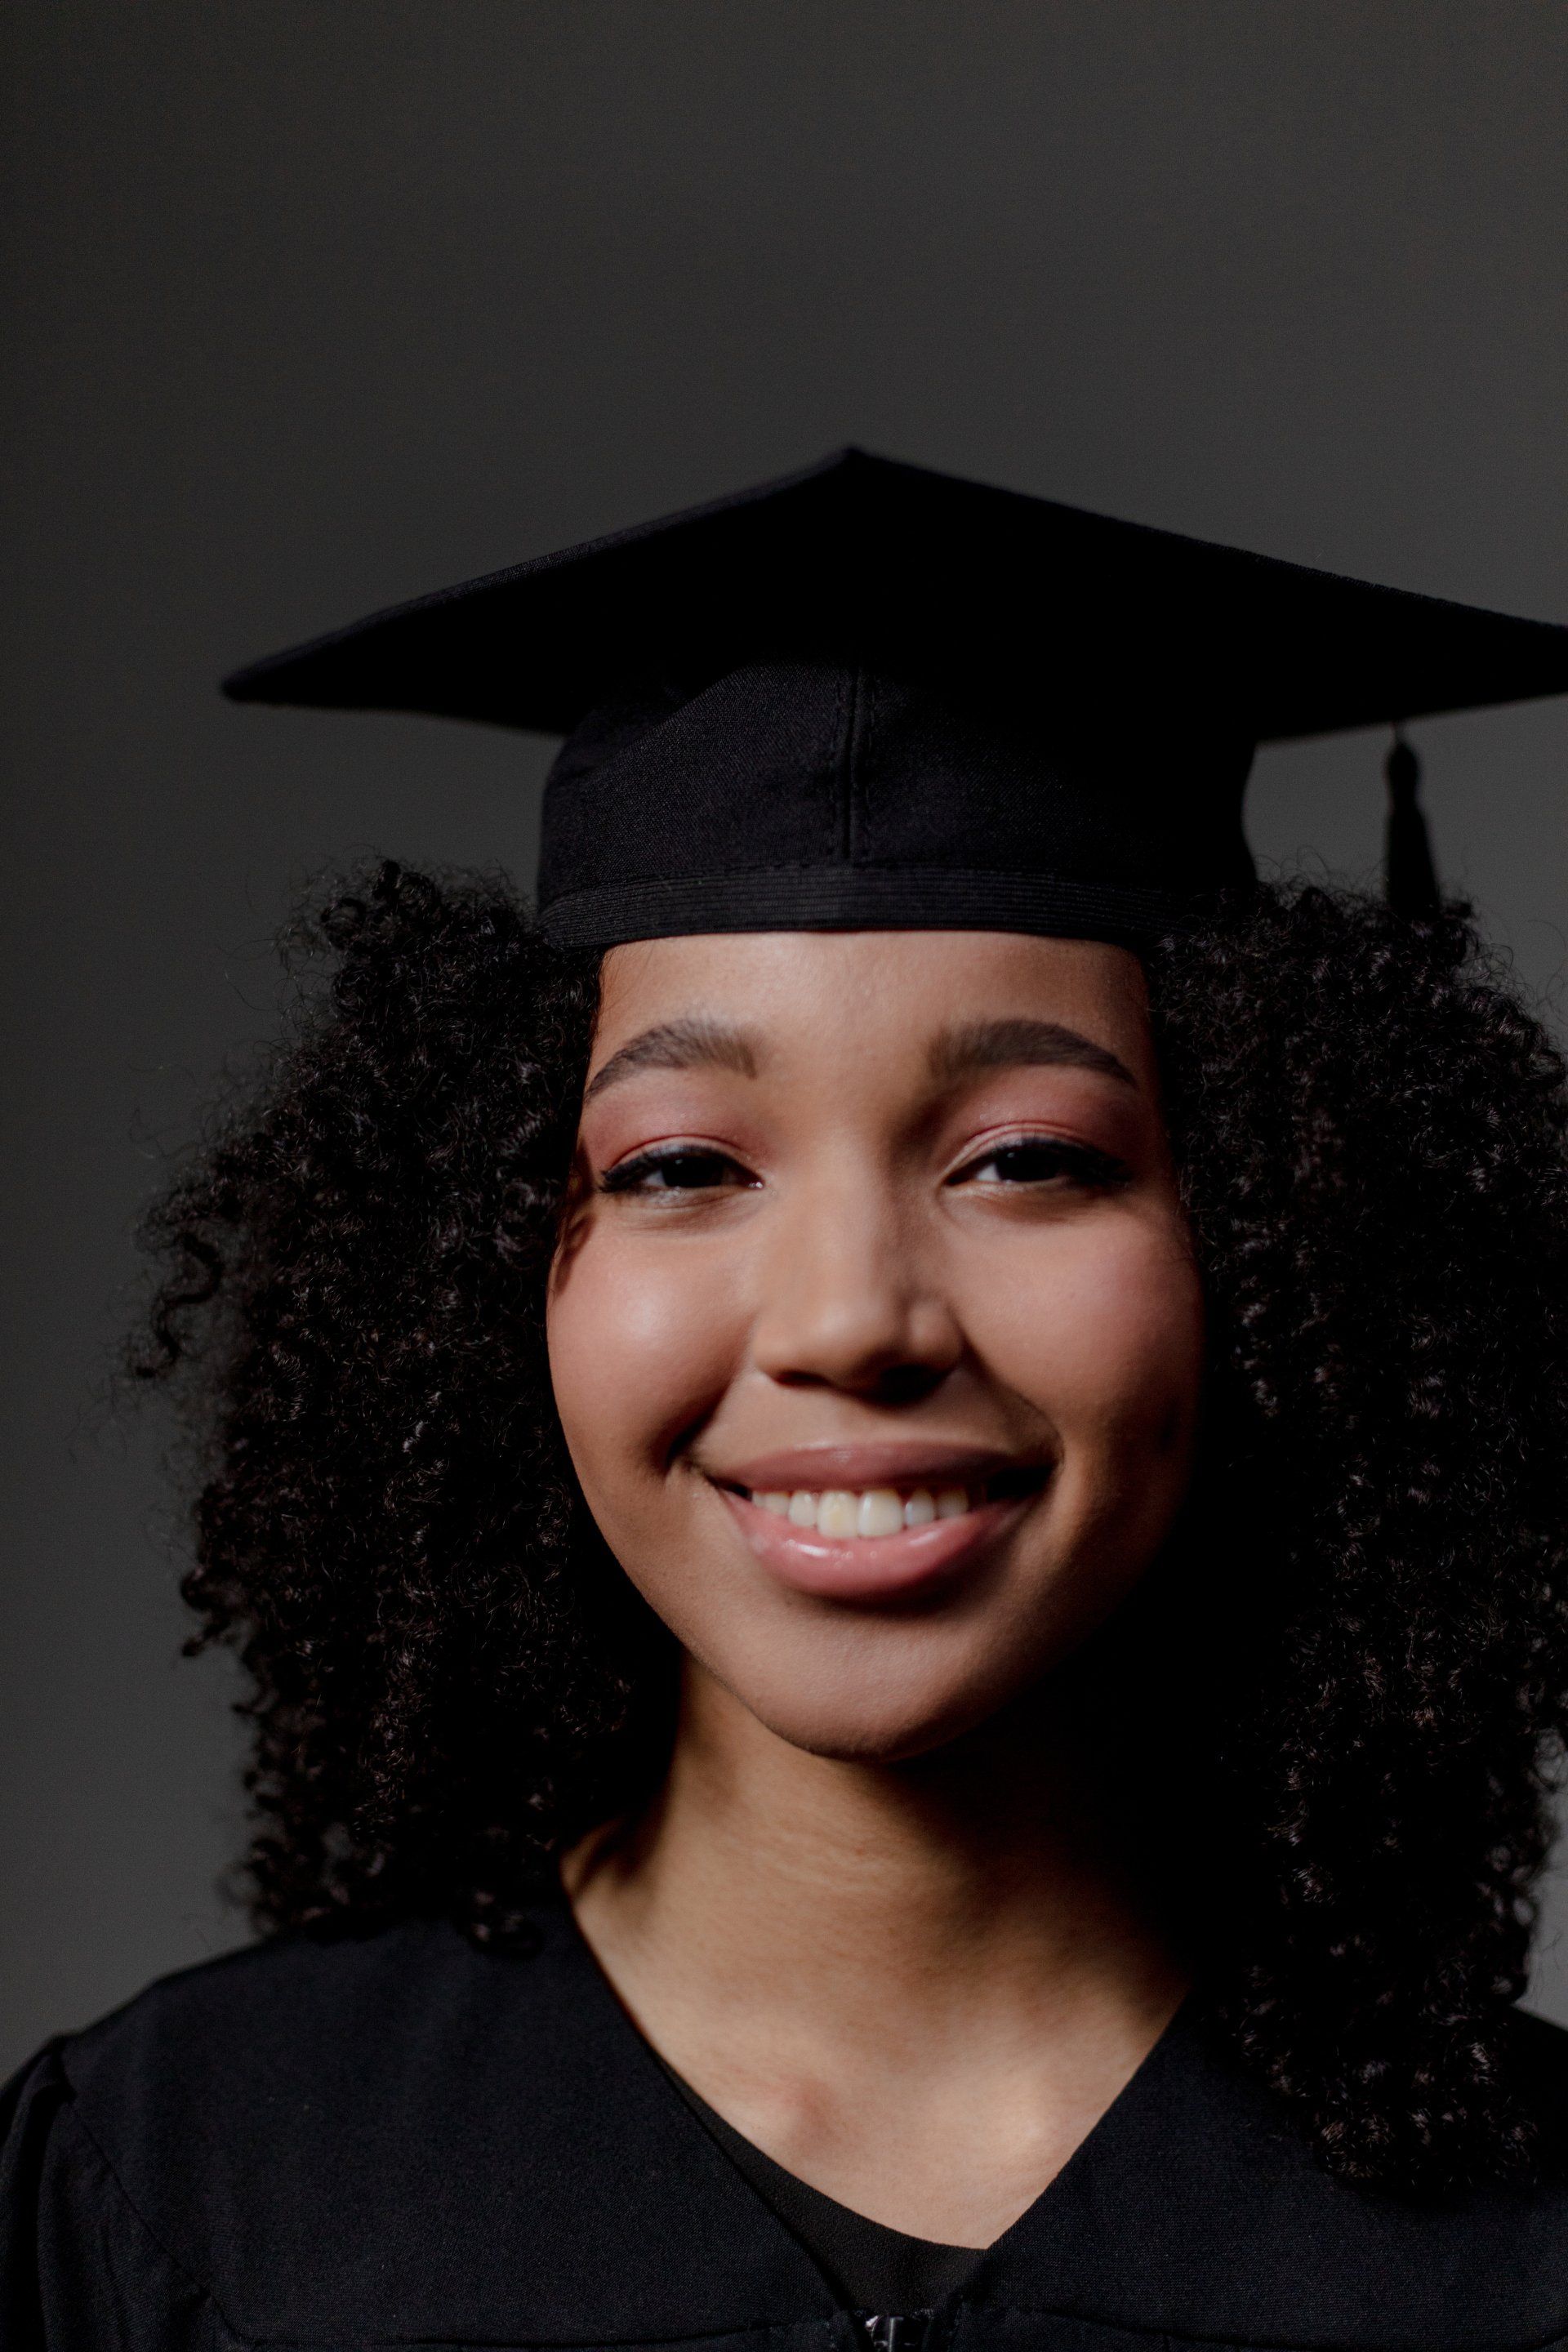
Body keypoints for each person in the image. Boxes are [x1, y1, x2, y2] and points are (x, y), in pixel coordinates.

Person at [6, 451, 1568, 2351]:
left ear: (1279, 1232)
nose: (851, 1319)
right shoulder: (177, 2192)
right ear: (485, 1255)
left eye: (1027, 1158)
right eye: (677, 1165)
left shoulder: (1523, 2248)